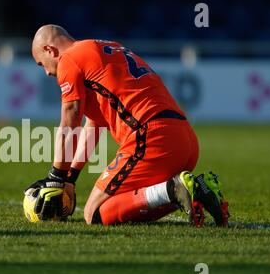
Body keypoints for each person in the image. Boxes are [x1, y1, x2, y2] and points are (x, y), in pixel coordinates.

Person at [27, 24, 229, 226]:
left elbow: (70, 118)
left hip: (151, 137)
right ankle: (198, 189)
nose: (46, 72)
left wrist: (55, 177)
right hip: (185, 140)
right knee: (122, 204)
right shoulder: (107, 47)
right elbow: (94, 124)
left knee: (94, 213)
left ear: (49, 50)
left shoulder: (69, 58)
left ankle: (172, 189)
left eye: (41, 64)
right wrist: (69, 178)